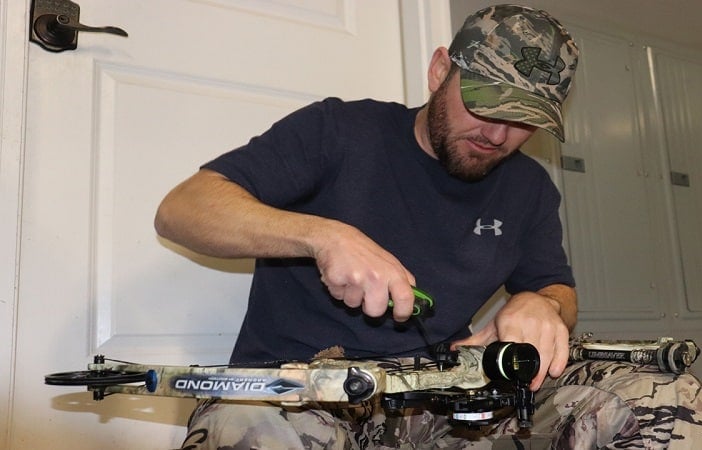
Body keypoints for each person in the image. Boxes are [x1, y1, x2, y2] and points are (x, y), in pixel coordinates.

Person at [156, 4, 586, 448]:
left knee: (632, 395)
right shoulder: (339, 130)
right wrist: (325, 237)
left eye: (524, 120)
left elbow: (557, 289)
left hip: (437, 400)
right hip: (292, 393)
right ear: (440, 71)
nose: (498, 136)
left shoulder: (528, 187)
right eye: (487, 105)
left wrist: (542, 304)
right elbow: (181, 210)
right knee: (253, 432)